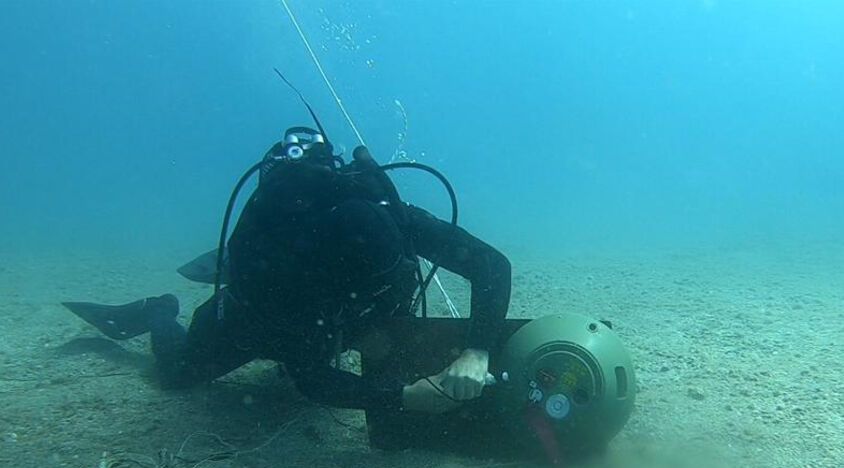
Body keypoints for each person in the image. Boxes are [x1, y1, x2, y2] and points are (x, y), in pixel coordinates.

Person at [64, 127, 511, 415]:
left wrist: (477, 350)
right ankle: (159, 310)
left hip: (332, 315)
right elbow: (309, 378)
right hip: (270, 319)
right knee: (178, 375)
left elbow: (490, 264)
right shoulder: (277, 264)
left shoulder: (389, 214)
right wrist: (402, 398)